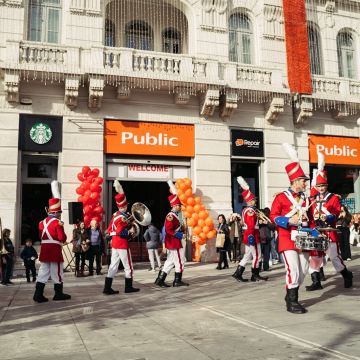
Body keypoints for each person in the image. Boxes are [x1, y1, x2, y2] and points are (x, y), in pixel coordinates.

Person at [270, 143, 311, 314]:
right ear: (295, 181)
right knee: (293, 269)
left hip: (304, 237)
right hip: (287, 238)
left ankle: (290, 294)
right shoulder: (281, 197)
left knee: (303, 270)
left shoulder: (306, 199)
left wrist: (314, 228)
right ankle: (292, 301)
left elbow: (311, 220)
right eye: (303, 180)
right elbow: (273, 216)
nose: (305, 183)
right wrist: (289, 221)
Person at [306, 152, 353, 291]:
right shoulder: (312, 198)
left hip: (329, 230)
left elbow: (336, 213)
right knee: (314, 257)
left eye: (323, 186)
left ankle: (347, 275)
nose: (321, 188)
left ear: (326, 185)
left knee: (334, 257)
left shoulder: (333, 197)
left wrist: (327, 217)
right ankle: (316, 282)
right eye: (319, 186)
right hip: (316, 232)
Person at [33, 181, 71, 303]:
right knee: (57, 272)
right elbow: (61, 238)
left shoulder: (41, 222)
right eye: (59, 212)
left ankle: (38, 294)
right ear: (56, 212)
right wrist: (63, 236)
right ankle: (58, 294)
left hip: (44, 249)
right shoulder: (58, 223)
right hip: (54, 250)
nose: (60, 215)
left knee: (43, 271)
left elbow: (40, 236)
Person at [103, 180, 139, 295]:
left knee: (113, 266)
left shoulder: (115, 215)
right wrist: (129, 232)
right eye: (127, 205)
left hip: (115, 244)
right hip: (122, 244)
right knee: (128, 266)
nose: (127, 206)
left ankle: (107, 288)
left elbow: (109, 230)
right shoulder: (121, 218)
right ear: (124, 206)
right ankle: (128, 287)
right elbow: (119, 231)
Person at [232, 177, 268, 283]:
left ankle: (237, 273)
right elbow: (251, 225)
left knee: (247, 255)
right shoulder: (250, 211)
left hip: (249, 233)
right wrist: (252, 236)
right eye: (253, 200)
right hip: (252, 234)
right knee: (257, 255)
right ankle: (255, 275)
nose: (255, 201)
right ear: (249, 201)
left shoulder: (247, 210)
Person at [155, 181, 189, 288]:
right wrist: (180, 235)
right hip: (174, 242)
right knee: (180, 261)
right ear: (174, 205)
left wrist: (182, 228)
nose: (180, 207)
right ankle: (177, 281)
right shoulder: (171, 216)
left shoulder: (174, 215)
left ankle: (160, 279)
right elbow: (169, 230)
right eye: (179, 205)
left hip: (173, 242)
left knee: (170, 261)